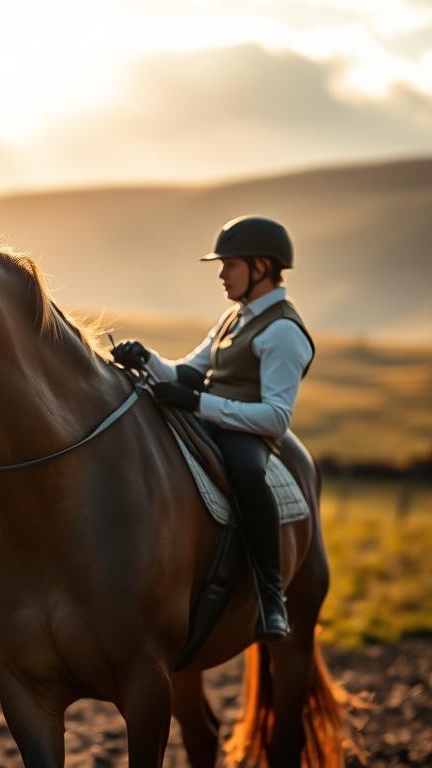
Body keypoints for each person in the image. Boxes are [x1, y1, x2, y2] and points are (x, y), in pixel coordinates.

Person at [113, 215, 314, 641]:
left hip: (249, 436)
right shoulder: (232, 318)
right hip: (208, 414)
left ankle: (270, 595)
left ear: (261, 266)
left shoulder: (283, 333)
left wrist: (200, 403)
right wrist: (144, 357)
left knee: (246, 474)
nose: (222, 275)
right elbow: (186, 370)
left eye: (230, 265)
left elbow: (276, 416)